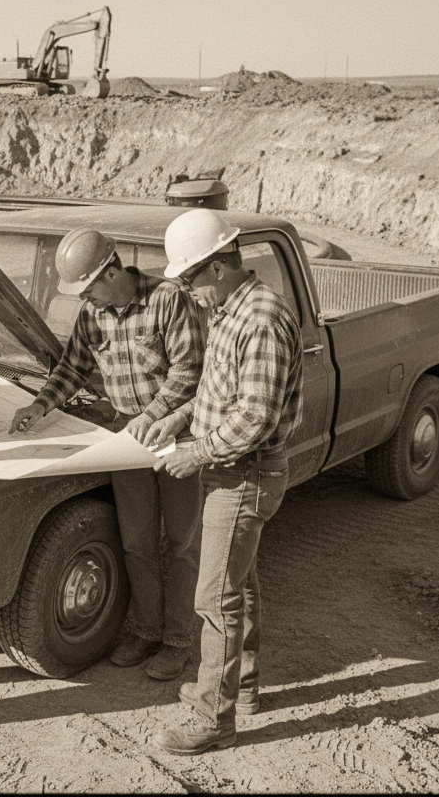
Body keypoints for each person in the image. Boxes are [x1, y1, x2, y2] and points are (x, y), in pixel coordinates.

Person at [7, 227, 205, 681]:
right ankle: (147, 631)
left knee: (181, 544)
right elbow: (72, 368)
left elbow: (191, 370)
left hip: (179, 434)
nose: (86, 300)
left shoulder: (169, 300)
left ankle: (177, 641)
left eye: (89, 288)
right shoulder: (92, 315)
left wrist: (153, 413)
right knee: (136, 542)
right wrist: (39, 405)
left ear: (113, 272)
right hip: (126, 438)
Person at [145, 209, 303, 756]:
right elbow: (222, 392)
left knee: (214, 599)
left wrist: (196, 453)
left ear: (217, 266)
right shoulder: (230, 312)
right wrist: (180, 416)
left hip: (243, 473)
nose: (188, 293)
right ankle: (246, 687)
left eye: (189, 280)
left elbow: (255, 416)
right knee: (242, 585)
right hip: (233, 469)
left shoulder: (259, 319)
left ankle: (213, 717)